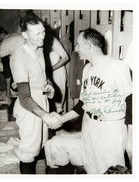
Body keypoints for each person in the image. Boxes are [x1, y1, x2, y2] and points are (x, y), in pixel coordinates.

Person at [44, 28, 132, 174]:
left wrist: (131, 136)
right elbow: (83, 104)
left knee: (110, 171)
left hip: (110, 129)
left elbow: (131, 101)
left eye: (78, 44)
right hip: (89, 126)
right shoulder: (87, 69)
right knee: (92, 169)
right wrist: (61, 119)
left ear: (89, 46)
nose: (75, 49)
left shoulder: (117, 66)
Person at [8, 14, 58, 174]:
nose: (43, 36)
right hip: (29, 107)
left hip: (41, 100)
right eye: (37, 33)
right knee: (29, 152)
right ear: (25, 35)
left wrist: (49, 85)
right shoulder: (19, 56)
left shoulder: (40, 48)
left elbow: (41, 75)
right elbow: (24, 97)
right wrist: (44, 115)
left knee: (41, 145)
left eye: (43, 31)